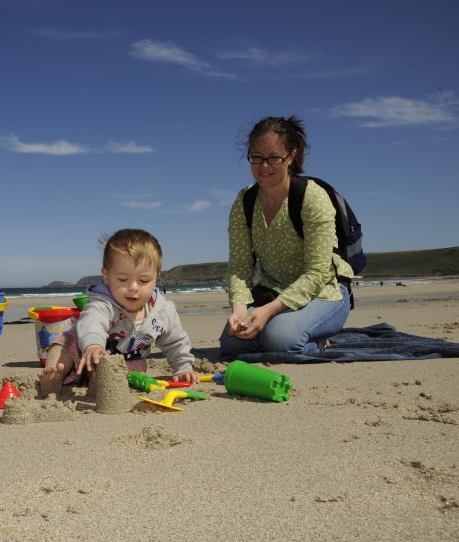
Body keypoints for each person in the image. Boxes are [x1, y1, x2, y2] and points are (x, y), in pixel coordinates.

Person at [220, 116, 353, 357]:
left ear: (291, 156)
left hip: (324, 293)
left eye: (274, 158)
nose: (264, 166)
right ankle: (286, 329)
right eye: (257, 157)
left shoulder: (312, 198)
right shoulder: (245, 201)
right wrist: (239, 309)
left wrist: (267, 312)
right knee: (232, 343)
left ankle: (318, 339)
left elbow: (317, 273)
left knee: (280, 340)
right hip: (274, 290)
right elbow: (240, 268)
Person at [40, 229, 200, 396]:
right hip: (84, 353)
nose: (133, 287)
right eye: (123, 280)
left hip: (125, 362)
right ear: (106, 276)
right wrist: (93, 345)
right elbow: (92, 322)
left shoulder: (163, 311)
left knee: (136, 371)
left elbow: (175, 342)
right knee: (65, 342)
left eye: (144, 280)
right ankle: (54, 374)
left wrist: (184, 368)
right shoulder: (102, 302)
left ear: (156, 278)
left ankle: (100, 382)